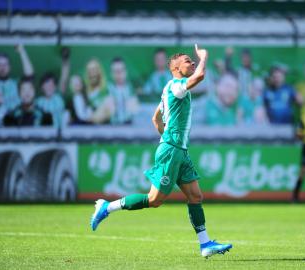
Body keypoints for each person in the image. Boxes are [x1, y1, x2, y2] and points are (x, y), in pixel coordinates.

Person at [90, 44, 233, 257]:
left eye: (193, 61)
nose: (192, 63)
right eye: (188, 61)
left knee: (195, 196)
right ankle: (106, 207)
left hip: (178, 150)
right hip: (172, 151)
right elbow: (201, 76)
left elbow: (155, 118)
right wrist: (204, 57)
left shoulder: (168, 88)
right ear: (175, 68)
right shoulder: (177, 86)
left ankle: (205, 245)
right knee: (154, 200)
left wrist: (167, 137)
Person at [0, 44, 34, 113]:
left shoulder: (17, 84)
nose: (2, 68)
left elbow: (29, 76)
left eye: (5, 64)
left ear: (10, 67)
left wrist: (22, 52)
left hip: (15, 121)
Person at [108, 57, 140, 125]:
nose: (119, 74)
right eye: (116, 71)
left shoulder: (133, 90)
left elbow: (136, 113)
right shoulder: (107, 91)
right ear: (111, 73)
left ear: (126, 72)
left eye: (121, 70)